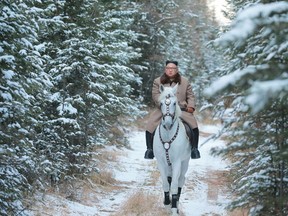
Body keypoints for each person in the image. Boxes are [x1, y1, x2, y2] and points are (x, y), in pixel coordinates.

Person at [144, 60, 200, 159]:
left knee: (193, 126)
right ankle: (150, 150)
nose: (170, 71)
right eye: (168, 68)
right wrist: (162, 104)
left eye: (173, 69)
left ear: (177, 69)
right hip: (163, 109)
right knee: (150, 125)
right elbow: (155, 95)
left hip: (181, 110)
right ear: (165, 69)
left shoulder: (185, 81)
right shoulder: (158, 81)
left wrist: (191, 106)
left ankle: (194, 149)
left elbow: (190, 96)